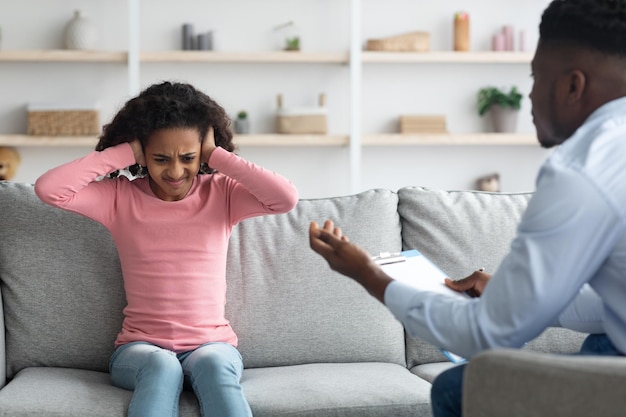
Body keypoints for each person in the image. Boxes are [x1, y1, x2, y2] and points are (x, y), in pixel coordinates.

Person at [309, 0, 626, 415]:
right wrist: (519, 297)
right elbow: (613, 306)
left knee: (461, 386)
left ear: (573, 85)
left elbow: (487, 336)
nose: (528, 94)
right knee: (601, 341)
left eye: (534, 76)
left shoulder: (583, 170)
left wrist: (369, 276)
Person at [35, 81, 299, 417]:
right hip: (140, 350)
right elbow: (49, 190)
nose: (175, 172)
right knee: (162, 366)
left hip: (211, 345)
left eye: (188, 158)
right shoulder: (120, 198)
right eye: (160, 158)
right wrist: (124, 151)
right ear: (143, 154)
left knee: (215, 364)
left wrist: (217, 156)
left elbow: (285, 198)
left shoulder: (222, 194)